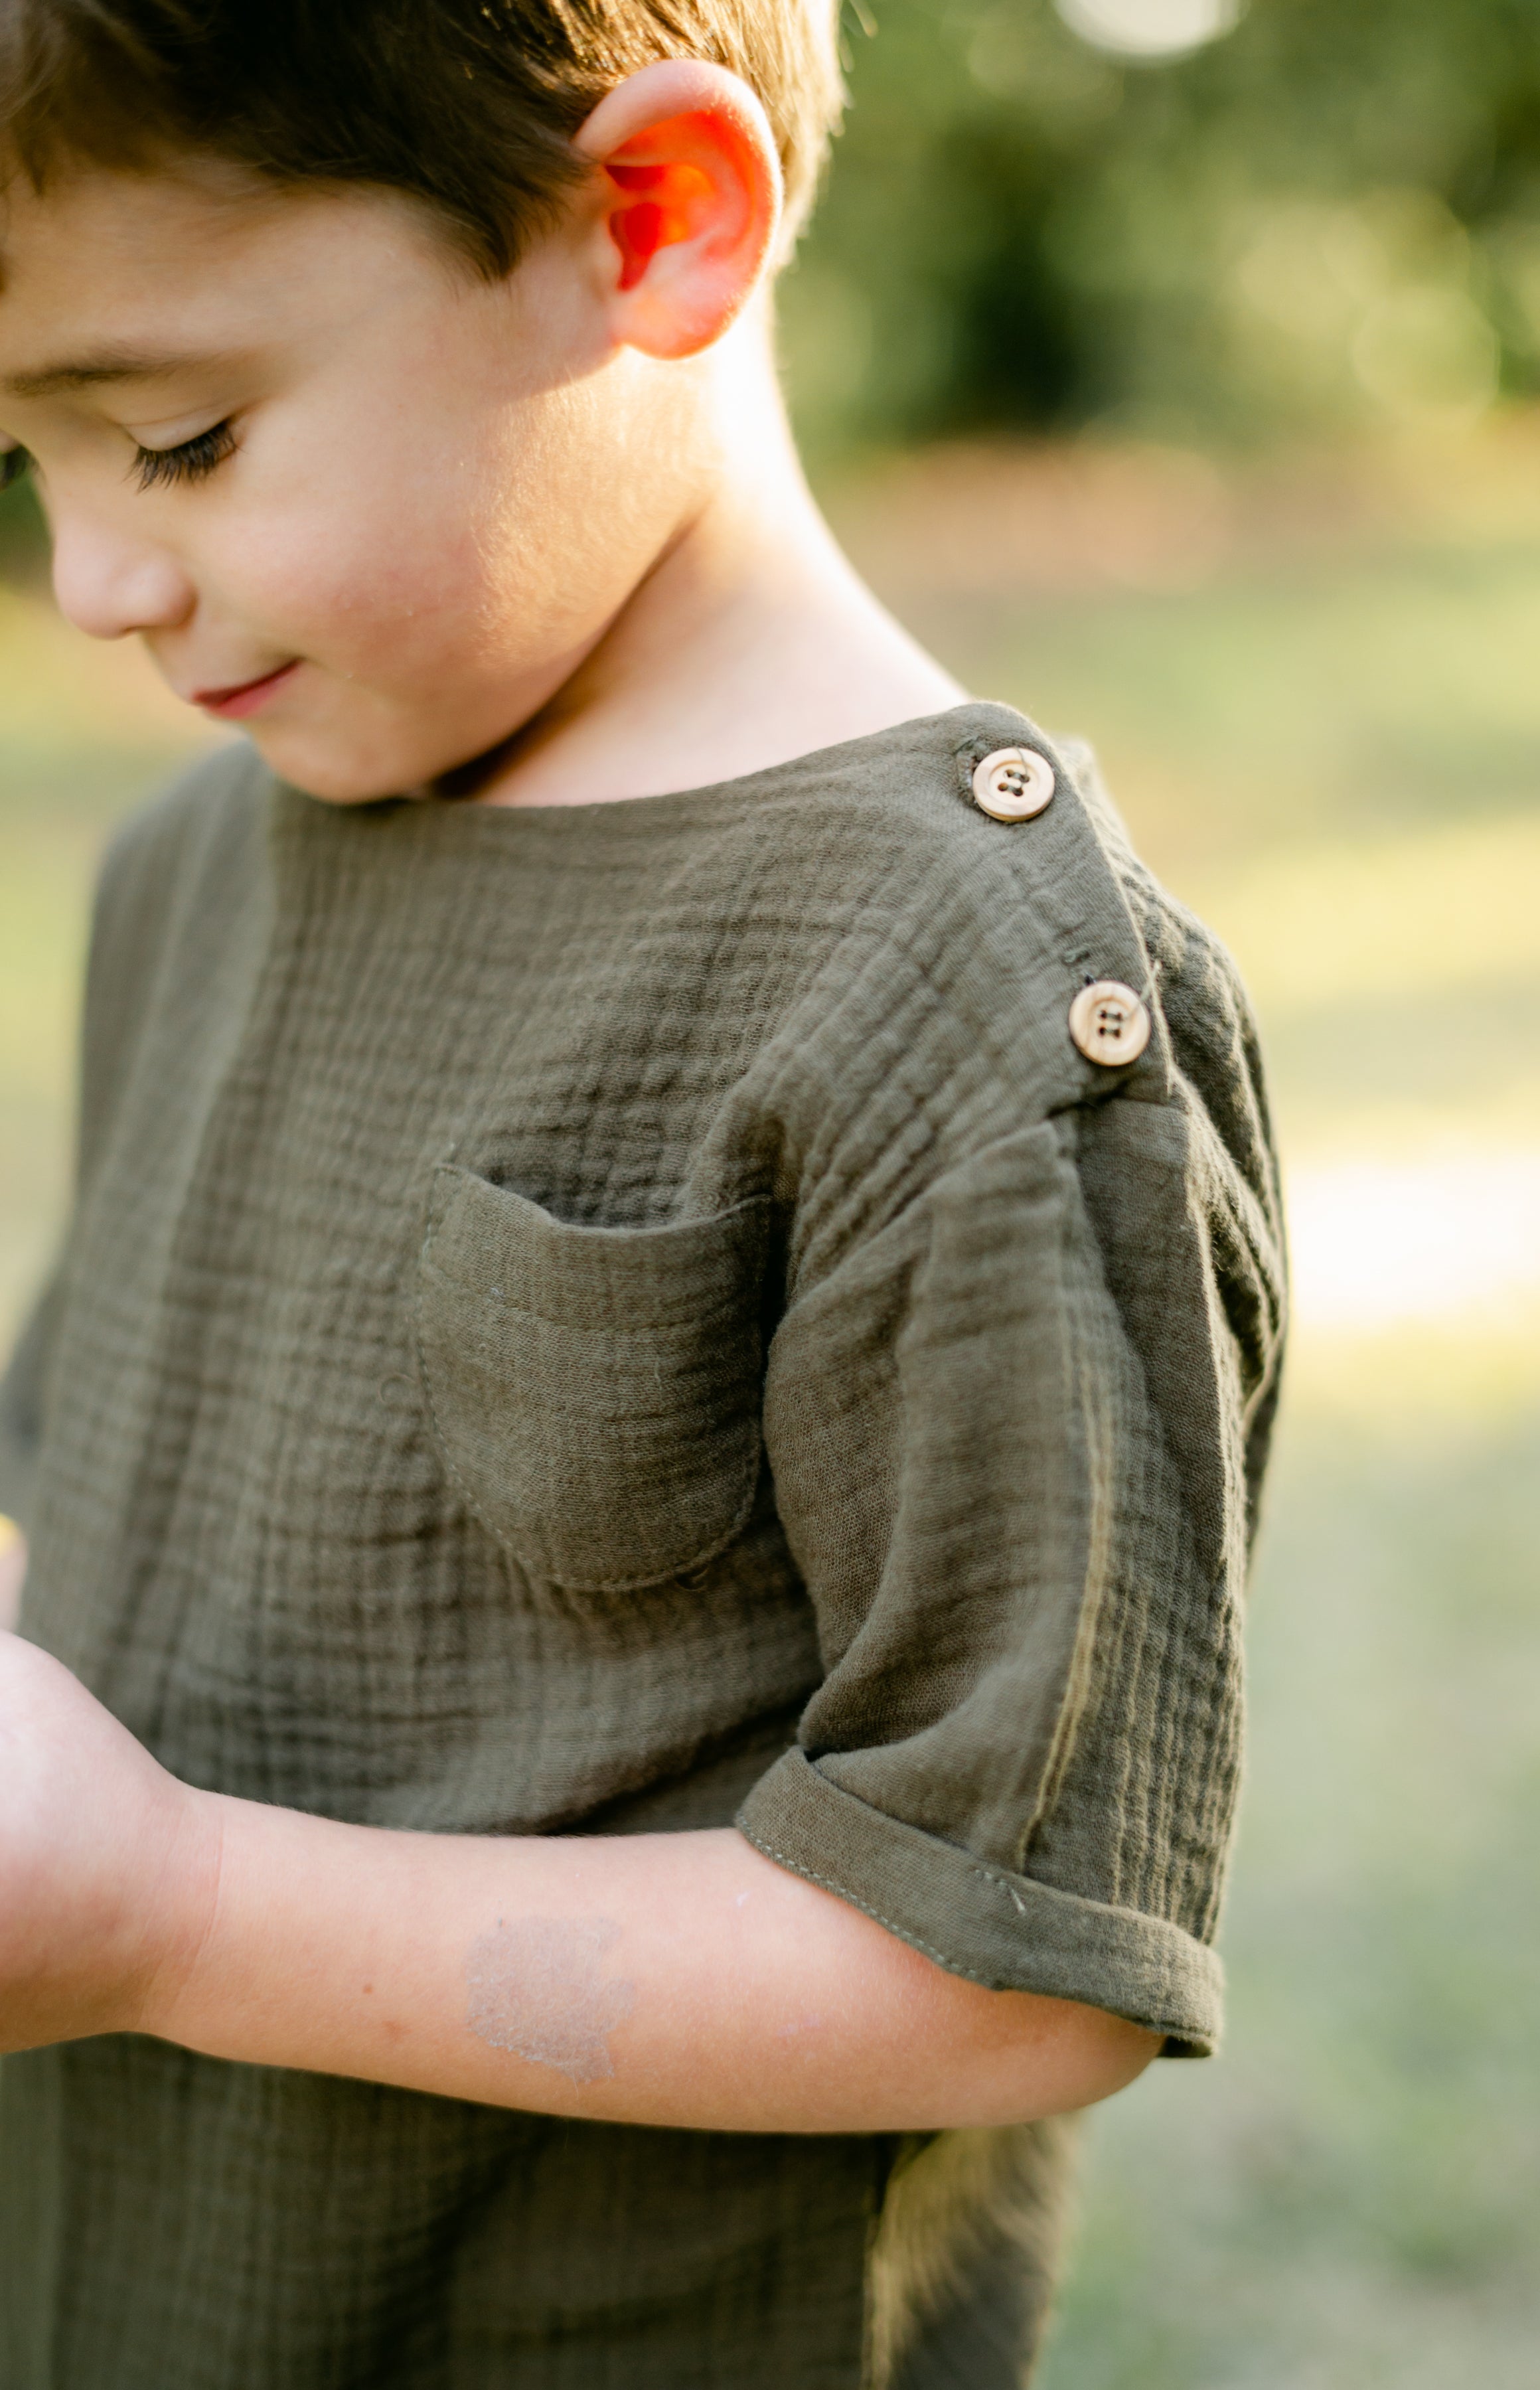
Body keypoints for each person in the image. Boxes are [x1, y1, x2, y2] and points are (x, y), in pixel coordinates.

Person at [0, 2, 1285, 2383]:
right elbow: (90, 1527)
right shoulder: (197, 864)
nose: (92, 580)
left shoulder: (966, 988)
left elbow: (1004, 1968)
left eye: (180, 437)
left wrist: (173, 1916)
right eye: (25, 460)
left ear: (653, 222)